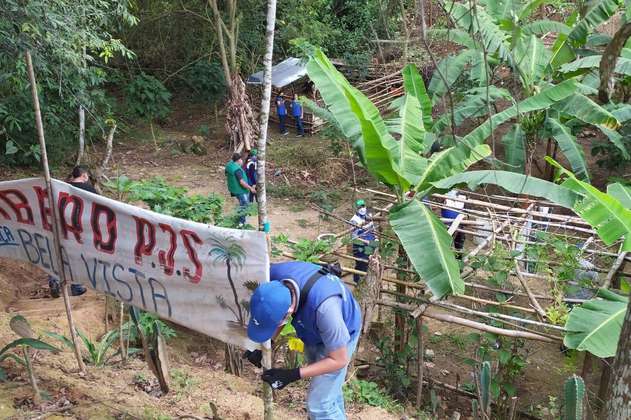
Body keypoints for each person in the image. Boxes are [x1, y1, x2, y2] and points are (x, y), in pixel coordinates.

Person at [244, 261, 361, 420]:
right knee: (329, 395)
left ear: (289, 312)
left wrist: (292, 375)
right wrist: (266, 343)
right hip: (311, 328)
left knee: (320, 406)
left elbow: (339, 360)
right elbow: (275, 312)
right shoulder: (273, 278)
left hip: (342, 332)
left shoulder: (326, 312)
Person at [49, 166, 96, 298]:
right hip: (78, 229)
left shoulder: (61, 187)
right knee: (76, 257)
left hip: (58, 226)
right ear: (84, 175)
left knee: (56, 255)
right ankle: (76, 287)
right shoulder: (89, 189)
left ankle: (54, 280)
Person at [349, 199, 376, 283]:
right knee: (361, 263)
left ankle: (366, 280)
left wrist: (375, 237)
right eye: (359, 207)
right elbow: (353, 237)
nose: (362, 208)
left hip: (370, 243)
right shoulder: (354, 220)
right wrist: (365, 242)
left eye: (363, 206)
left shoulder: (369, 215)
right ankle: (357, 281)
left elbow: (373, 228)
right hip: (360, 246)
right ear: (356, 208)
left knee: (369, 262)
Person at [225, 152, 255, 225]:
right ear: (238, 160)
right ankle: (241, 222)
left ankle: (240, 218)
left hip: (233, 189)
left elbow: (226, 173)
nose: (242, 161)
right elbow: (241, 182)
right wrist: (251, 188)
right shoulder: (237, 170)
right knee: (245, 205)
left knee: (242, 204)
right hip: (240, 190)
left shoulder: (229, 165)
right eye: (241, 159)